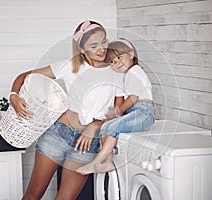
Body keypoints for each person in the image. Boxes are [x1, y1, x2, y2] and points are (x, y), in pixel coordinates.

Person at [9, 20, 124, 200]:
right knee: (33, 196)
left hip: (87, 144)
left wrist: (95, 125)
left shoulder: (116, 71)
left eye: (104, 42)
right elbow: (24, 76)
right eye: (94, 45)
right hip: (58, 134)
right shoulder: (69, 67)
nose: (101, 49)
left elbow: (118, 113)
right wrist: (14, 96)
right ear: (82, 49)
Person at [76, 38, 156, 175]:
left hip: (144, 112)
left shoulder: (135, 72)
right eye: (112, 61)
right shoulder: (127, 75)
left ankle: (96, 162)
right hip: (136, 112)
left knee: (111, 126)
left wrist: (118, 111)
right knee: (107, 126)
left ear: (131, 54)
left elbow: (133, 98)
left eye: (119, 57)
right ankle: (108, 162)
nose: (116, 62)